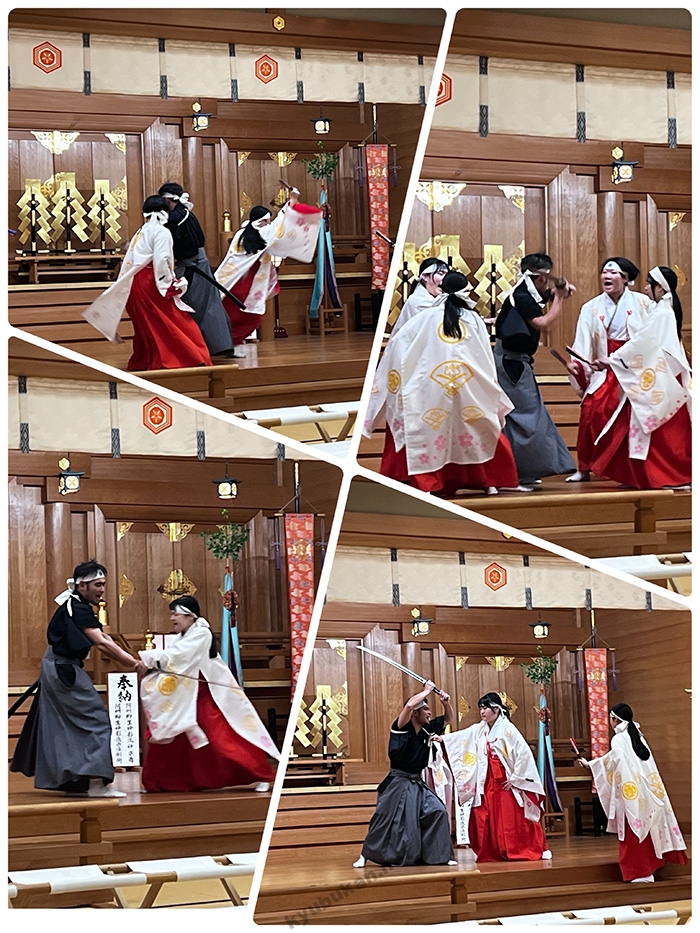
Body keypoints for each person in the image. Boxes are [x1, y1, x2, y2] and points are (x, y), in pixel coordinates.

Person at [363, 270, 525, 497]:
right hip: (469, 386)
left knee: (428, 430)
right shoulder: (473, 319)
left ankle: (429, 483)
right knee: (477, 428)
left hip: (431, 385)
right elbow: (485, 358)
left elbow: (398, 344)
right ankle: (487, 481)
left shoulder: (425, 318)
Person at [10, 561, 138, 797]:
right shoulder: (77, 607)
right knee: (96, 719)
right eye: (97, 585)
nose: (102, 589)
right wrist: (133, 663)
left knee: (63, 725)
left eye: (103, 584)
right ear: (82, 586)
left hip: (58, 667)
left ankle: (73, 781)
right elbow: (102, 641)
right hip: (63, 670)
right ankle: (97, 784)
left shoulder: (76, 605)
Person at [135, 596, 280, 793]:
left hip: (206, 692)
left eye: (175, 614)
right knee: (171, 733)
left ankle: (261, 774)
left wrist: (147, 659)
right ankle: (159, 781)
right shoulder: (184, 635)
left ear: (189, 616)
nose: (172, 618)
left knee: (220, 737)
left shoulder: (201, 633)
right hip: (186, 692)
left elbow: (179, 657)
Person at [566, 259, 690, 488]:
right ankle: (586, 466)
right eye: (604, 271)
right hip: (613, 365)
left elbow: (643, 342)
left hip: (635, 368)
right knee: (592, 409)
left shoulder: (647, 304)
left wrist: (615, 360)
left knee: (632, 420)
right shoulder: (591, 307)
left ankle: (638, 472)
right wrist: (579, 364)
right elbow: (583, 342)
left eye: (613, 272)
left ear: (625, 278)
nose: (607, 276)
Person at [83, 195, 212, 371]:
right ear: (165, 212)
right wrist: (168, 283)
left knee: (149, 325)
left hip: (136, 281)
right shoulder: (161, 232)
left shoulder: (141, 231)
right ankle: (189, 357)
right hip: (152, 281)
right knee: (175, 321)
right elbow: (162, 259)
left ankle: (151, 359)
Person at [577, 704, 687, 882]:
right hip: (647, 790)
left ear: (615, 719)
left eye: (610, 718)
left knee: (633, 831)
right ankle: (649, 868)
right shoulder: (638, 736)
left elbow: (614, 761)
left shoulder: (619, 739)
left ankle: (639, 872)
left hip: (631, 792)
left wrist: (590, 765)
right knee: (647, 827)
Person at [494, 253, 577, 486]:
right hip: (511, 364)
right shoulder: (521, 296)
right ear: (539, 277)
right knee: (524, 416)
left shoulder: (524, 292)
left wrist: (557, 292)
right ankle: (517, 472)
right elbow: (542, 322)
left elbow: (541, 298)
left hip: (514, 362)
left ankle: (525, 470)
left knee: (525, 415)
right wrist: (559, 298)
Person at [353, 681, 457, 868]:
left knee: (438, 811)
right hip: (398, 781)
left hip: (417, 782)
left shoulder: (427, 729)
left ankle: (439, 855)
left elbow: (449, 719)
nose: (429, 713)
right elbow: (409, 705)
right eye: (425, 709)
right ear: (415, 713)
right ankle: (365, 855)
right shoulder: (401, 727)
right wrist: (426, 691)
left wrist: (445, 703)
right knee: (384, 818)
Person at [443, 692, 551, 862]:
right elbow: (463, 736)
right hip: (487, 779)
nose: (482, 712)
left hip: (505, 780)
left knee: (509, 817)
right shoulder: (480, 728)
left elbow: (524, 754)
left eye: (485, 708)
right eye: (480, 708)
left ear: (496, 709)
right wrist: (443, 740)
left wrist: (515, 778)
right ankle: (494, 850)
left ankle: (523, 848)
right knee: (485, 815)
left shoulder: (508, 729)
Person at [214, 189, 323, 345]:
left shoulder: (240, 234)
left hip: (232, 281)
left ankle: (225, 338)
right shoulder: (263, 234)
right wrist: (292, 199)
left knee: (229, 310)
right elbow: (280, 222)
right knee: (251, 314)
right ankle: (235, 338)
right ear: (260, 221)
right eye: (265, 221)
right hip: (248, 283)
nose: (268, 224)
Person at [158, 181, 236, 358]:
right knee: (204, 304)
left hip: (194, 264)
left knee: (200, 305)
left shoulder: (179, 215)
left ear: (169, 201)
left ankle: (213, 345)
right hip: (192, 264)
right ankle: (211, 345)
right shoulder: (183, 214)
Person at [390, 257, 449, 334]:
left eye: (447, 275)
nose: (446, 279)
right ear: (425, 276)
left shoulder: (443, 299)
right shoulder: (417, 301)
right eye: (441, 273)